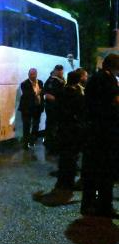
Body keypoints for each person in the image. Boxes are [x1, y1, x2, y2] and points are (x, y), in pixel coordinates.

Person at [33, 69, 88, 206]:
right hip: (73, 130)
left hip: (64, 130)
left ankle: (63, 183)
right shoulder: (76, 94)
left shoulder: (63, 92)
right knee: (70, 158)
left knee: (65, 158)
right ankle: (67, 184)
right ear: (79, 80)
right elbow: (81, 111)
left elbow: (57, 109)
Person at [80, 54, 119, 218]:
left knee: (93, 170)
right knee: (105, 170)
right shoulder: (106, 80)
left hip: (95, 132)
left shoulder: (97, 78)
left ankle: (90, 203)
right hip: (103, 133)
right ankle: (103, 205)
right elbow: (114, 102)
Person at [18, 68, 44, 149]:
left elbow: (42, 93)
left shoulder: (40, 82)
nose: (33, 75)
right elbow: (27, 95)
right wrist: (37, 93)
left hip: (37, 107)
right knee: (26, 126)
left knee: (36, 125)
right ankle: (25, 144)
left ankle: (32, 141)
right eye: (31, 74)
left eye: (34, 74)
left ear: (36, 74)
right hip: (27, 108)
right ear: (28, 74)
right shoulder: (24, 84)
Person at [43, 64, 66, 153]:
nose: (61, 72)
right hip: (53, 107)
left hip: (56, 107)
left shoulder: (60, 80)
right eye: (59, 70)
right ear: (56, 71)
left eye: (61, 70)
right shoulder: (53, 81)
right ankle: (51, 145)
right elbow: (48, 93)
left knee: (52, 125)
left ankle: (51, 143)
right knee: (52, 126)